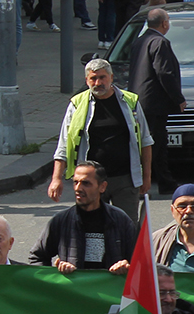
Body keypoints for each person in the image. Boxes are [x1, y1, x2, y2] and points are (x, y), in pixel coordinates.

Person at [49, 60, 153, 223]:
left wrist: (146, 176)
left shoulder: (130, 102)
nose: (98, 83)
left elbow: (146, 141)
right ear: (86, 81)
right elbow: (63, 145)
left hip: (125, 179)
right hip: (90, 181)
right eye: (93, 79)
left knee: (127, 227)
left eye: (102, 78)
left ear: (111, 77)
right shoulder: (77, 104)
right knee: (91, 227)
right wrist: (56, 179)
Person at [30, 161, 136, 271]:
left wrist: (125, 267)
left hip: (110, 288)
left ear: (102, 187)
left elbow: (140, 263)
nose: (78, 188)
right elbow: (37, 258)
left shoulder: (121, 221)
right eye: (75, 182)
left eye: (86, 183)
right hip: (72, 288)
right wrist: (56, 279)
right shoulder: (61, 221)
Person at [127, 8, 186, 195]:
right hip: (154, 102)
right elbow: (165, 73)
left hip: (141, 101)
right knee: (155, 144)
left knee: (153, 143)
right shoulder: (159, 42)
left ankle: (163, 181)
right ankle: (150, 182)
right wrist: (178, 98)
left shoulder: (140, 40)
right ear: (164, 23)